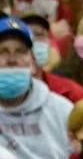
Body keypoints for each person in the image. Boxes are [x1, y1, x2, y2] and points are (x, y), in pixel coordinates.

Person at [0, 15, 73, 159]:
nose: (12, 60)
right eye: (3, 51)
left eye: (20, 51)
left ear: (32, 60)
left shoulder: (62, 110)